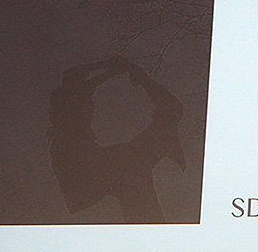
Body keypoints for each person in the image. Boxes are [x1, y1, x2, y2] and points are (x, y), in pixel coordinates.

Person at [49, 54, 186, 224]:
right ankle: (166, 140)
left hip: (94, 169)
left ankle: (148, 226)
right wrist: (110, 67)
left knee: (135, 180)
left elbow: (79, 83)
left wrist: (112, 69)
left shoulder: (68, 110)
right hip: (90, 169)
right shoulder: (65, 105)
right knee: (170, 114)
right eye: (88, 102)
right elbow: (77, 83)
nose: (91, 106)